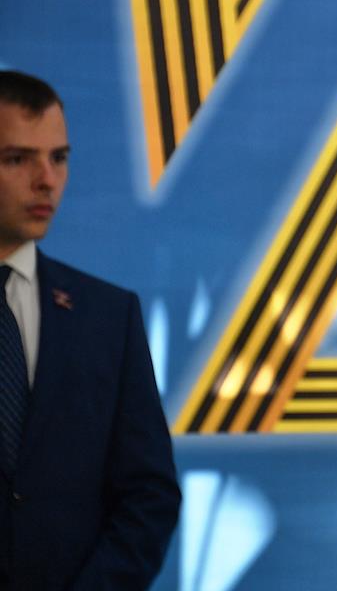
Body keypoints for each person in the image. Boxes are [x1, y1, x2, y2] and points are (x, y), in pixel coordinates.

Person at [0, 70, 180, 589]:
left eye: (59, 158)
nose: (46, 180)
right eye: (18, 159)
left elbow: (149, 495)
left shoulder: (108, 317)